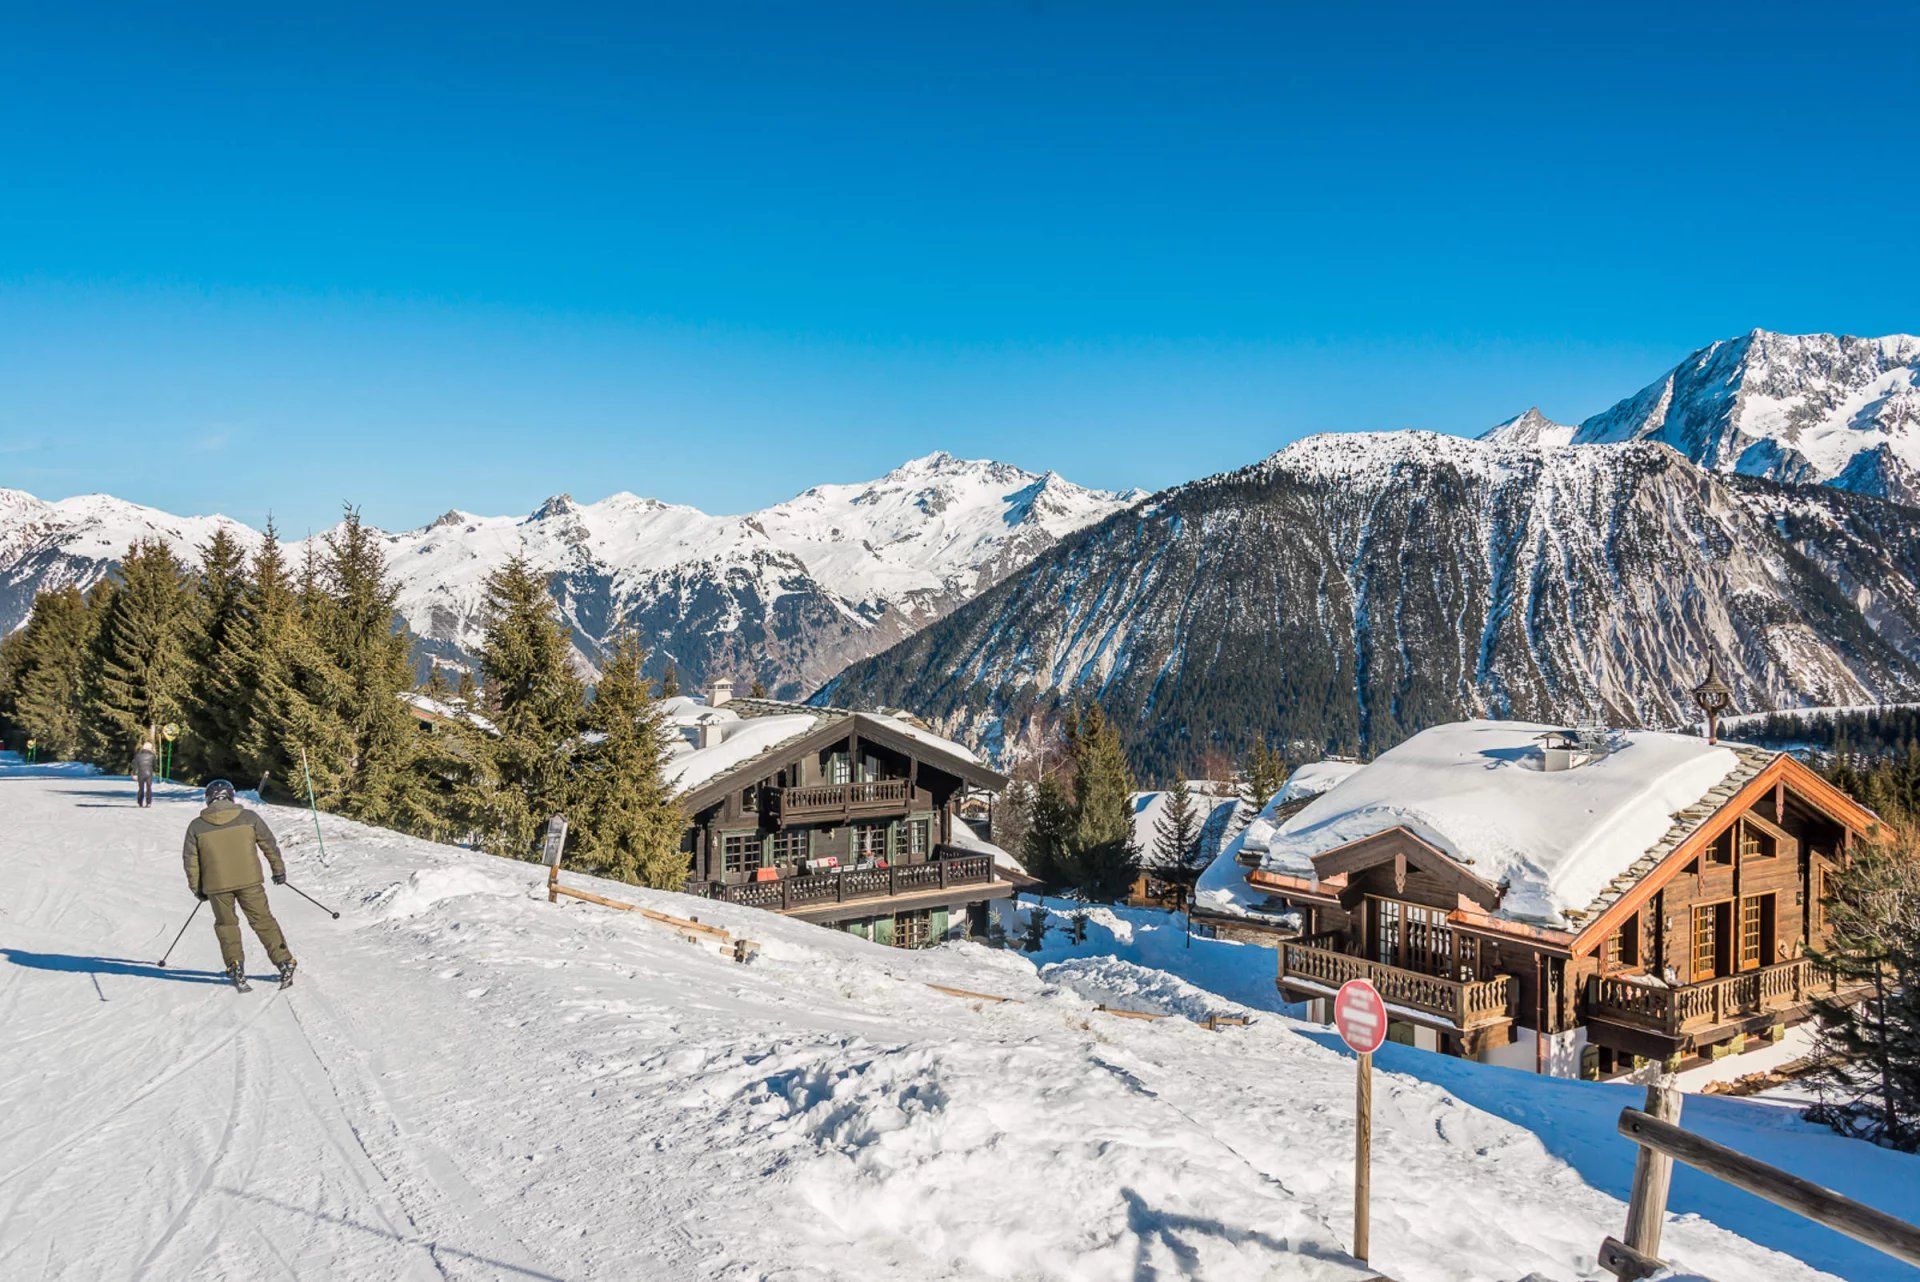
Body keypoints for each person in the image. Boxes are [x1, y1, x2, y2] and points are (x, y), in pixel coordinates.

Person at [182, 779, 297, 991]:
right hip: (250, 881)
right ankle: (284, 961)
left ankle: (235, 965)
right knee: (262, 920)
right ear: (230, 796)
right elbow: (268, 844)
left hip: (217, 886)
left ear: (208, 799)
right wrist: (278, 869)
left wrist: (197, 888)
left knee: (227, 925)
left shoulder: (196, 826)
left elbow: (191, 861)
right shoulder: (249, 818)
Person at [132, 740, 156, 808]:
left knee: (141, 788)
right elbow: (154, 765)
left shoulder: (138, 755)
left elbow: (135, 765)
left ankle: (140, 802)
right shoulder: (153, 755)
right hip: (149, 773)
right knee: (149, 788)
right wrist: (154, 770)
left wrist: (134, 774)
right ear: (150, 748)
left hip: (140, 773)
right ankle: (148, 802)